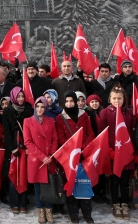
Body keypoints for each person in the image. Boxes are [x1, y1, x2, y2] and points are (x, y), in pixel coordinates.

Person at [55, 91, 95, 223]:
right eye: (66, 101)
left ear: (76, 101)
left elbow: (90, 133)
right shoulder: (60, 118)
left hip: (84, 155)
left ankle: (87, 213)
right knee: (71, 184)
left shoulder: (84, 115)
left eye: (71, 101)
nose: (69, 104)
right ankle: (73, 213)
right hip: (70, 157)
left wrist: (83, 148)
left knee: (84, 183)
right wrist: (74, 150)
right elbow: (61, 138)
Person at [98, 86, 137, 220]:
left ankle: (124, 203)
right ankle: (116, 203)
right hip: (112, 151)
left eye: (119, 98)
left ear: (124, 99)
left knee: (125, 181)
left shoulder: (130, 113)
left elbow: (132, 133)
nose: (117, 101)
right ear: (110, 99)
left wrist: (134, 152)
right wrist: (109, 151)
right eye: (114, 98)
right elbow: (101, 133)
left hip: (126, 152)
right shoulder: (105, 113)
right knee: (115, 180)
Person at [24, 96, 58, 223]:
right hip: (36, 159)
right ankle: (41, 210)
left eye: (42, 106)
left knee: (48, 185)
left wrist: (51, 155)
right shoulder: (28, 121)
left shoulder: (50, 121)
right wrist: (42, 156)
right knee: (38, 186)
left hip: (49, 158)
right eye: (37, 106)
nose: (39, 109)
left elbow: (55, 139)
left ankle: (49, 210)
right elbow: (28, 142)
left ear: (46, 107)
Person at [2, 86, 34, 214]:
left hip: (26, 148)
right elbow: (7, 132)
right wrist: (13, 148)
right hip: (13, 148)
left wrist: (28, 147)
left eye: (22, 96)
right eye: (18, 96)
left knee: (24, 175)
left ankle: (23, 202)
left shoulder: (29, 110)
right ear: (13, 97)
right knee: (14, 174)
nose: (21, 99)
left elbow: (31, 129)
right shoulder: (7, 111)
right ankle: (14, 202)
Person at [85, 94, 106, 204]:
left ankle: (101, 191)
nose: (94, 104)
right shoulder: (87, 114)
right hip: (92, 145)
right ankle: (93, 191)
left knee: (101, 169)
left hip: (102, 144)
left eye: (96, 102)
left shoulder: (103, 113)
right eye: (92, 102)